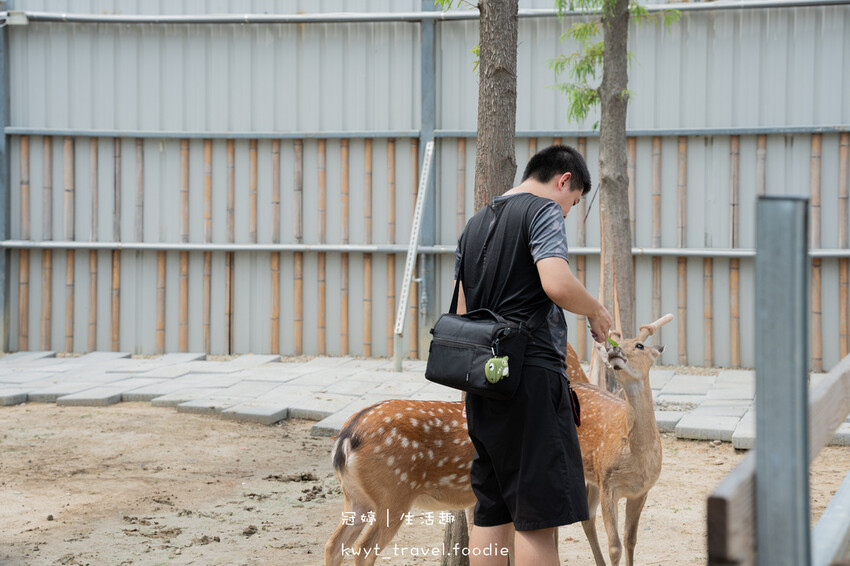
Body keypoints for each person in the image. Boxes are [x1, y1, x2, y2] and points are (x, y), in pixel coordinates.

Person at [454, 145, 613, 566]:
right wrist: (596, 309)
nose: (564, 214)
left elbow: (460, 313)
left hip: (483, 384)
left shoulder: (474, 224)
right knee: (536, 517)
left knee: (492, 511)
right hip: (531, 382)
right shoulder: (541, 210)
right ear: (564, 180)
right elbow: (556, 283)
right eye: (572, 204)